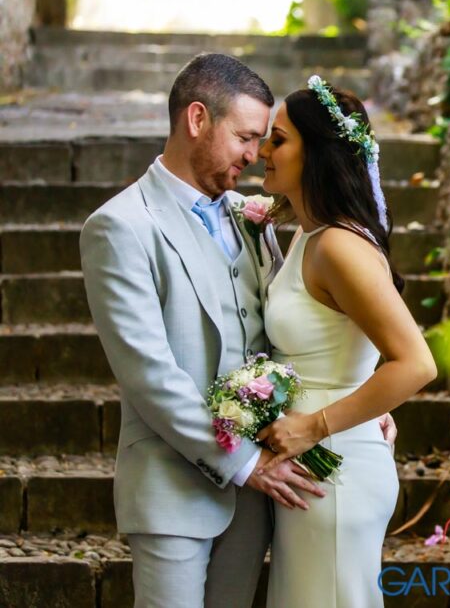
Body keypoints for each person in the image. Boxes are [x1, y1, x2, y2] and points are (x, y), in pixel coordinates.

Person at [80, 54, 397, 608]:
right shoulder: (119, 226)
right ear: (197, 120)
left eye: (266, 140)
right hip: (175, 486)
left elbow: (299, 328)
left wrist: (357, 393)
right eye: (247, 137)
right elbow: (148, 372)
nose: (256, 156)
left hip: (260, 498)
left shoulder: (251, 216)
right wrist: (245, 464)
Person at [254, 77, 437, 607]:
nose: (262, 151)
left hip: (332, 470)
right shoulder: (308, 233)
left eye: (278, 139)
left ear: (317, 154)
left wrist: (314, 425)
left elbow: (416, 363)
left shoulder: (339, 245)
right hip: (313, 468)